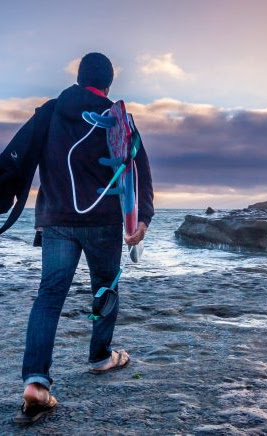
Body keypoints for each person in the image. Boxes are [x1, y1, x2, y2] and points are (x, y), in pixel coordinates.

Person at [12, 52, 154, 423]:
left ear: (78, 78)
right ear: (108, 83)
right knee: (105, 287)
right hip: (104, 222)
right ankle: (100, 356)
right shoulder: (118, 117)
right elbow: (139, 169)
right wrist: (143, 219)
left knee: (49, 294)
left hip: (56, 219)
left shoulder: (51, 111)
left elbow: (20, 152)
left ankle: (36, 383)